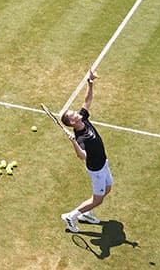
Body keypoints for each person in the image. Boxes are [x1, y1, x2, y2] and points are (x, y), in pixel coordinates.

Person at [60, 68, 112, 233]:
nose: (76, 112)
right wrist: (74, 142)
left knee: (108, 188)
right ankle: (72, 216)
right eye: (72, 114)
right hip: (96, 169)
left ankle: (86, 213)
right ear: (72, 123)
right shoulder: (80, 137)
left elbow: (87, 101)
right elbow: (82, 156)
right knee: (98, 199)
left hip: (103, 162)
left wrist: (90, 82)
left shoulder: (83, 118)